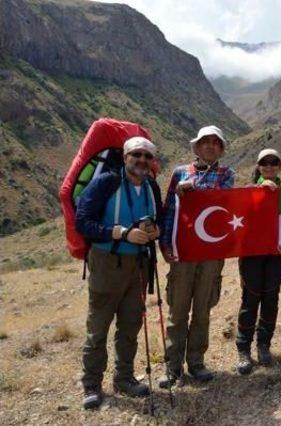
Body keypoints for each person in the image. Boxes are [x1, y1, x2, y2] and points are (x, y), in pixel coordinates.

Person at [75, 137, 162, 409]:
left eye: (148, 157)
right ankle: (91, 384)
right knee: (98, 326)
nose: (142, 161)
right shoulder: (106, 183)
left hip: (138, 265)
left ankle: (123, 378)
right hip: (107, 262)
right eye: (136, 155)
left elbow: (156, 218)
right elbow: (83, 222)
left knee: (130, 325)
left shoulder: (151, 187)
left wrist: (154, 232)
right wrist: (121, 233)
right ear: (125, 157)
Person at [159, 125, 233, 387]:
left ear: (221, 148)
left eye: (216, 142)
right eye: (205, 142)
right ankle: (172, 366)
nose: (210, 146)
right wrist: (165, 243)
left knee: (202, 310)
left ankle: (197, 362)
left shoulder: (227, 174)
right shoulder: (180, 173)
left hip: (211, 253)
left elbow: (223, 202)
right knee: (177, 311)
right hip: (184, 252)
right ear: (197, 147)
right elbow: (170, 211)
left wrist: (194, 191)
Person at [236, 149, 281, 375]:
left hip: (277, 255)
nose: (269, 166)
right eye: (264, 163)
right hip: (251, 255)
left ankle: (264, 345)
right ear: (258, 166)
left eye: (274, 162)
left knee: (271, 298)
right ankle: (243, 349)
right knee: (250, 298)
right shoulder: (247, 192)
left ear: (279, 167)